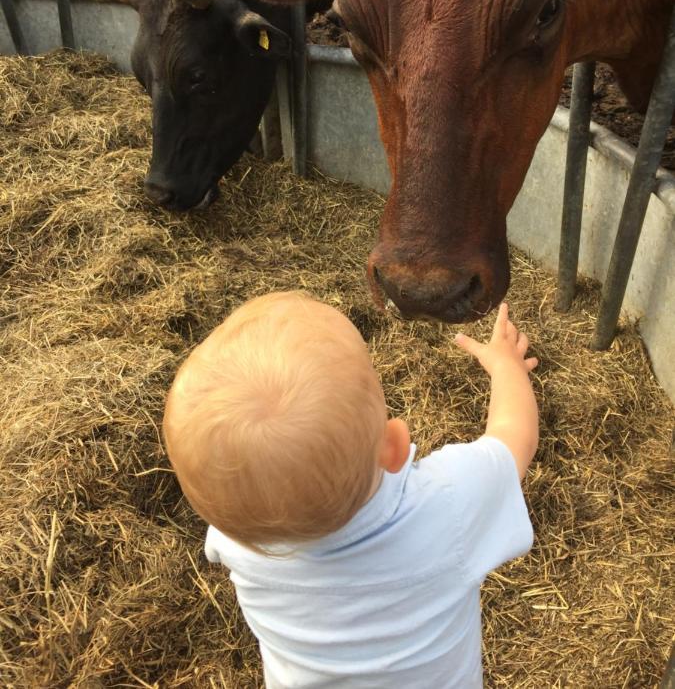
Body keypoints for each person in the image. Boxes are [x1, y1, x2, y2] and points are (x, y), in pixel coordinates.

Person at [163, 291, 539, 688]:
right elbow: (514, 437)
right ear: (394, 446)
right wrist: (505, 366)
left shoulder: (238, 539)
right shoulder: (446, 504)